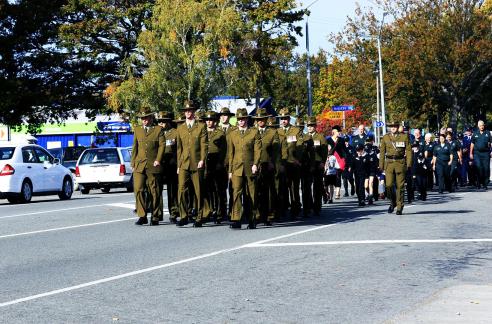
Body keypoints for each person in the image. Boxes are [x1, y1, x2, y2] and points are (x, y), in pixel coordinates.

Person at [176, 100, 208, 227]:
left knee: (198, 191)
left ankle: (199, 217)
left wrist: (202, 160)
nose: (188, 113)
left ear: (194, 112)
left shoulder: (200, 126)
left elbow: (204, 145)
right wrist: (178, 165)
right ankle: (184, 216)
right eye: (186, 111)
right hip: (184, 163)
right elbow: (179, 148)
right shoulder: (180, 128)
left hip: (196, 163)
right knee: (182, 189)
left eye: (190, 110)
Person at [131, 107, 165, 226]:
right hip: (140, 164)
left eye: (146, 118)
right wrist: (133, 163)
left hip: (153, 164)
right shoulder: (138, 130)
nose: (144, 120)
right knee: (139, 189)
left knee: (154, 191)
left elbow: (162, 146)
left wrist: (158, 160)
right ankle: (142, 215)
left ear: (151, 118)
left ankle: (155, 216)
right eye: (142, 118)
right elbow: (135, 147)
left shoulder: (158, 130)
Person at [228, 108, 261, 229]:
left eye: (243, 119)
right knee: (236, 192)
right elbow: (230, 154)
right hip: (236, 168)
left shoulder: (254, 132)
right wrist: (230, 171)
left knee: (251, 193)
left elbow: (258, 150)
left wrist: (255, 164)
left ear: (247, 119)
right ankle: (236, 219)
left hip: (250, 166)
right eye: (239, 119)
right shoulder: (232, 134)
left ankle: (252, 218)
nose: (241, 121)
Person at [379, 120, 412, 215]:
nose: (392, 128)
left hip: (400, 163)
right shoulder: (385, 137)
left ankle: (399, 206)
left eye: (394, 126)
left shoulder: (404, 136)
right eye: (391, 126)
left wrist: (409, 163)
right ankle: (392, 202)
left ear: (397, 127)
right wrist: (381, 165)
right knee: (388, 185)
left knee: (400, 187)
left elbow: (409, 150)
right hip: (389, 163)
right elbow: (382, 152)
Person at [254, 108, 280, 225]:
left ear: (265, 119)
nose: (260, 121)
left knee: (268, 191)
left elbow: (276, 150)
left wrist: (272, 162)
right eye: (258, 119)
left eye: (262, 119)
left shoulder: (272, 132)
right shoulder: (252, 131)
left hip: (267, 165)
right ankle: (257, 214)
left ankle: (269, 214)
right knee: (256, 190)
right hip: (255, 165)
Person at [277, 108, 303, 219]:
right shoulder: (277, 131)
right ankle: (283, 210)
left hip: (293, 163)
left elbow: (300, 146)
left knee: (294, 189)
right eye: (282, 119)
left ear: (289, 119)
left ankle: (295, 210)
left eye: (285, 119)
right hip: (281, 164)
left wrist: (297, 159)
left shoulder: (295, 131)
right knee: (282, 188)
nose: (283, 121)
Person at [203, 111, 227, 223]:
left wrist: (220, 163)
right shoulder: (202, 132)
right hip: (206, 164)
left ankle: (219, 212)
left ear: (215, 121)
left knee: (218, 189)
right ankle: (208, 211)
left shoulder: (220, 133)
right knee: (207, 189)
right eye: (207, 120)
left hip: (217, 164)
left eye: (211, 120)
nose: (209, 122)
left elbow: (223, 151)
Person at [157, 111, 179, 223]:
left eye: (164, 121)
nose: (161, 123)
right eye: (160, 121)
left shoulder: (175, 132)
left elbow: (180, 150)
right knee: (158, 189)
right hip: (159, 164)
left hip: (171, 164)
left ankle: (174, 212)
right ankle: (158, 213)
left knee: (172, 189)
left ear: (168, 121)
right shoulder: (155, 132)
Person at [305, 116, 328, 216]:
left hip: (318, 164)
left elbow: (324, 151)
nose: (310, 128)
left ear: (315, 126)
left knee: (317, 187)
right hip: (307, 164)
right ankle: (309, 205)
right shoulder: (305, 137)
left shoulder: (320, 137)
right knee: (307, 186)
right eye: (308, 126)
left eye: (311, 126)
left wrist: (323, 162)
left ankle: (317, 207)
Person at [218, 107, 237, 219]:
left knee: (233, 188)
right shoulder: (217, 130)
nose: (223, 117)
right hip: (220, 164)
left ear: (229, 117)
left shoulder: (234, 130)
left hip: (232, 163)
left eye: (225, 115)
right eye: (221, 115)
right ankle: (221, 211)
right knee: (220, 189)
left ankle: (233, 212)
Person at [470, 120, 491, 190]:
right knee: (478, 168)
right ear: (478, 126)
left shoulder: (487, 133)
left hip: (486, 153)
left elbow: (491, 142)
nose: (482, 127)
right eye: (480, 125)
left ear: (484, 125)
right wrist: (470, 153)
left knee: (486, 169)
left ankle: (485, 184)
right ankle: (478, 183)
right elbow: (472, 144)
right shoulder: (475, 133)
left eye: (483, 125)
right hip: (477, 154)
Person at [326, 125, 346, 199]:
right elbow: (326, 151)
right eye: (338, 131)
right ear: (333, 131)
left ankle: (337, 192)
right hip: (331, 161)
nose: (339, 133)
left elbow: (344, 150)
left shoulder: (342, 140)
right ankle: (329, 193)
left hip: (340, 160)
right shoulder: (328, 140)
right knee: (330, 177)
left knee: (338, 176)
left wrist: (346, 159)